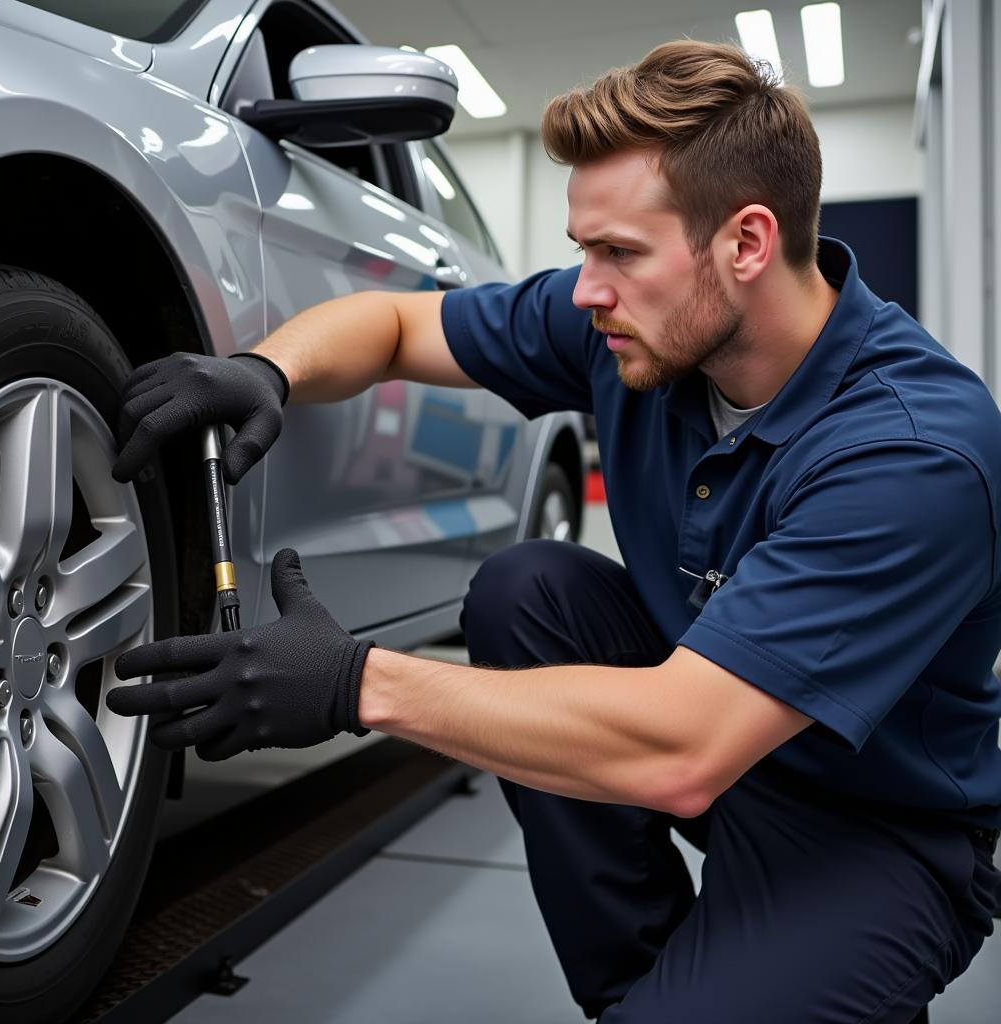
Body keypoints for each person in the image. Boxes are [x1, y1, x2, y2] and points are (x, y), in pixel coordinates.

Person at [107, 41, 1001, 1023]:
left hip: (873, 827)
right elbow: (397, 325)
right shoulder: (634, 322)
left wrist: (353, 682)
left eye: (617, 252)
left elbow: (684, 748)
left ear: (745, 243)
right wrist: (267, 372)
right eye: (584, 250)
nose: (584, 289)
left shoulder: (912, 455)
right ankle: (641, 987)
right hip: (714, 739)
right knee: (527, 590)